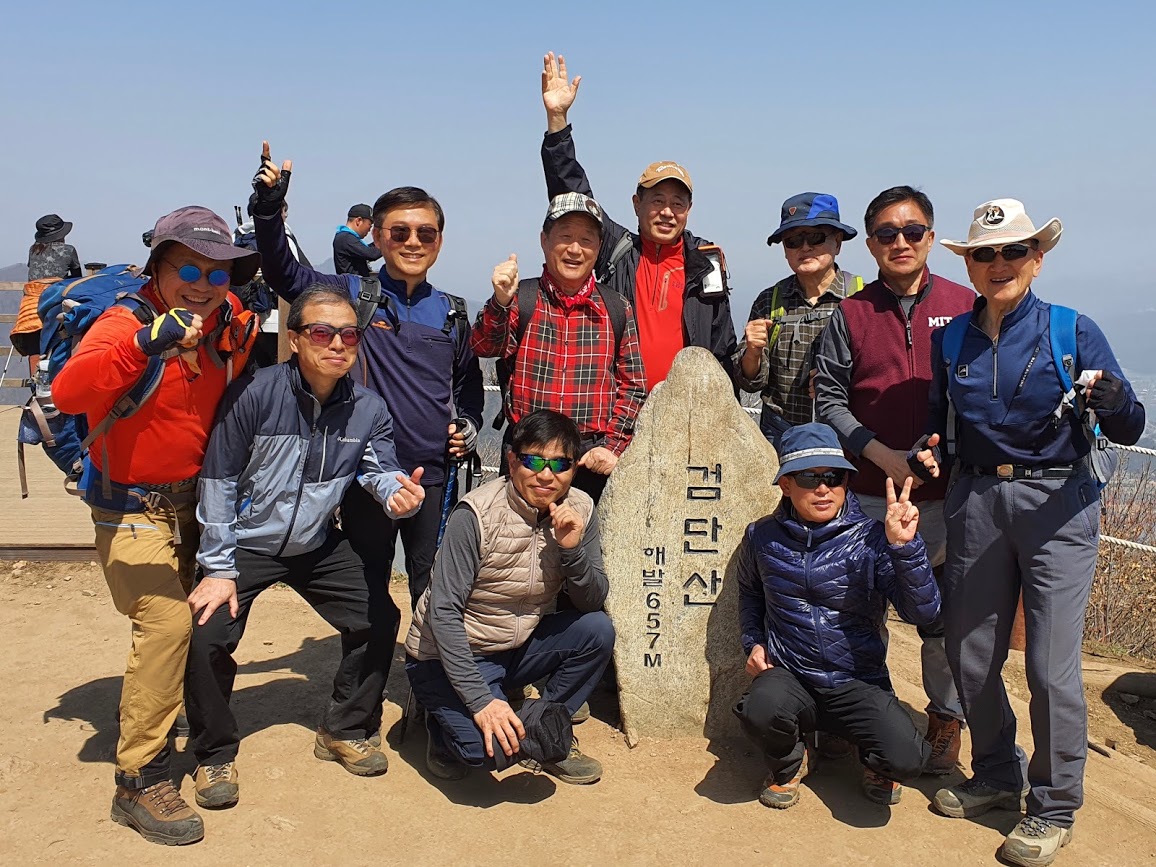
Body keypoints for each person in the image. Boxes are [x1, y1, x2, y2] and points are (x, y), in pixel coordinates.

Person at [918, 200, 1146, 866]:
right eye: (984, 253)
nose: (999, 263)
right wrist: (929, 450)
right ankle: (996, 772)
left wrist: (1117, 403)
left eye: (1013, 251)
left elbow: (1129, 423)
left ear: (1037, 260)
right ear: (969, 265)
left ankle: (1053, 806)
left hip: (1059, 502)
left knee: (1049, 665)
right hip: (977, 498)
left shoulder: (1073, 329)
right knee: (970, 653)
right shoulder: (951, 340)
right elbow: (940, 421)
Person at [51, 206, 260, 846]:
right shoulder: (125, 322)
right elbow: (69, 393)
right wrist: (146, 343)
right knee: (166, 623)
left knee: (200, 620)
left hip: (199, 504)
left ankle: (197, 732)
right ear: (157, 269)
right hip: (130, 505)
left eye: (217, 274)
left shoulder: (230, 320)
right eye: (188, 270)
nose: (203, 286)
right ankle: (139, 779)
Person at [185, 285, 425, 809]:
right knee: (208, 635)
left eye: (349, 335)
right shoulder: (255, 393)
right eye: (321, 332)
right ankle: (213, 752)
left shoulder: (367, 408)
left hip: (314, 540)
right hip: (246, 542)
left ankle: (345, 727)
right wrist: (218, 568)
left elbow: (378, 469)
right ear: (294, 339)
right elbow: (219, 480)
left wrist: (397, 494)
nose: (337, 344)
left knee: (378, 617)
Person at [251, 141, 484, 610]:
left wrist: (469, 425)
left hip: (431, 474)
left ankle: (426, 662)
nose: (413, 242)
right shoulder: (354, 294)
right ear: (377, 238)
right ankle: (368, 662)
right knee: (366, 592)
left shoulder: (454, 313)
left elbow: (467, 385)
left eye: (426, 233)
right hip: (364, 472)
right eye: (399, 232)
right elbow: (285, 276)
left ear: (439, 241)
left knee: (432, 590)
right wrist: (268, 213)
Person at [814, 185, 974, 774]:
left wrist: (945, 453)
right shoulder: (851, 314)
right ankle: (857, 713)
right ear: (871, 243)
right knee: (858, 609)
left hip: (946, 494)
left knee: (943, 618)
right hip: (865, 492)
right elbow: (829, 400)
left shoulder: (965, 304)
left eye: (911, 231)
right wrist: (883, 456)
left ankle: (945, 719)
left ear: (930, 237)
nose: (900, 242)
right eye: (886, 233)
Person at [735, 423, 940, 810]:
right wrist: (753, 642)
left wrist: (906, 549)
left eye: (833, 477)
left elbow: (924, 612)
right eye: (809, 477)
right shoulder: (761, 536)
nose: (823, 488)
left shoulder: (873, 538)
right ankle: (792, 760)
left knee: (908, 758)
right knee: (760, 708)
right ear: (786, 485)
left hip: (857, 679)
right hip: (791, 674)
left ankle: (872, 760)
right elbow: (749, 592)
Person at [406, 410, 615, 784]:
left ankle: (548, 728)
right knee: (488, 752)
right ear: (512, 460)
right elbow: (443, 613)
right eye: (533, 461)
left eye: (560, 464)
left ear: (574, 468)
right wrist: (480, 702)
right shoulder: (476, 514)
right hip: (447, 654)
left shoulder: (581, 508)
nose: (546, 476)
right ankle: (441, 722)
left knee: (597, 630)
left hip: (514, 648)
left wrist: (571, 551)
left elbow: (591, 600)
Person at [539, 52, 737, 389]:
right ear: (637, 204)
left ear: (688, 210)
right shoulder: (617, 250)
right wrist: (557, 121)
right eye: (657, 201)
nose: (667, 212)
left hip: (685, 410)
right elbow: (572, 194)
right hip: (622, 405)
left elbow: (722, 348)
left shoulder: (704, 263)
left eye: (677, 203)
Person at [471, 192, 647, 504]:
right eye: (565, 236)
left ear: (598, 247)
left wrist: (612, 447)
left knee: (584, 535)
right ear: (544, 240)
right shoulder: (521, 298)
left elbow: (633, 385)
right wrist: (499, 302)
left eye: (586, 239)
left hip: (589, 458)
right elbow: (484, 346)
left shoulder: (616, 307)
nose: (575, 249)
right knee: (515, 534)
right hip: (527, 453)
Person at [736, 193, 863, 449]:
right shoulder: (769, 300)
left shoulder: (861, 298)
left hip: (843, 433)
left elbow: (875, 375)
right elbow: (750, 381)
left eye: (815, 237)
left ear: (838, 242)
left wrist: (834, 383)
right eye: (793, 241)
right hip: (779, 434)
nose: (804, 248)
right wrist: (752, 352)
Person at [12, 214, 83, 374]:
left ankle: (35, 381)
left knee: (34, 347)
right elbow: (77, 278)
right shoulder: (68, 250)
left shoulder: (33, 249)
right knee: (60, 341)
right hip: (55, 300)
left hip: (31, 304)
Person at [333, 203, 382, 278]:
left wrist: (380, 241)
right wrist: (387, 241)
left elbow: (367, 250)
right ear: (359, 221)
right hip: (352, 284)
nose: (369, 229)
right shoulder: (345, 238)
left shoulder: (346, 237)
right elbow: (372, 254)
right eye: (369, 224)